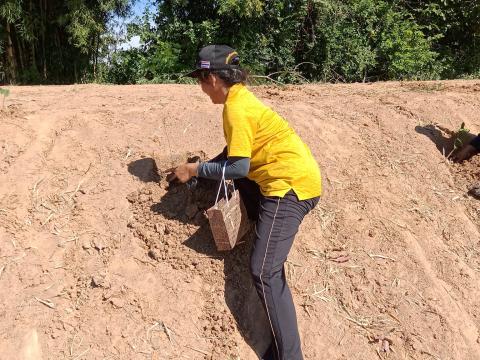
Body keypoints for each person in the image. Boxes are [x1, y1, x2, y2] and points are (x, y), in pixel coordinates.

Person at [169, 45, 322, 360]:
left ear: (211, 77)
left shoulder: (235, 109)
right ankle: (254, 218)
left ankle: (290, 356)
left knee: (264, 270)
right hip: (288, 177)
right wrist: (198, 177)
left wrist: (195, 168)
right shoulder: (241, 100)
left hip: (289, 186)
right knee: (235, 175)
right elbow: (234, 156)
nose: (201, 87)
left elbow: (238, 168)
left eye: (200, 79)